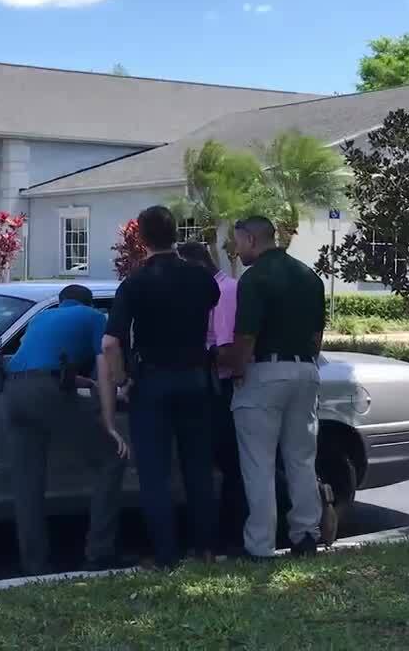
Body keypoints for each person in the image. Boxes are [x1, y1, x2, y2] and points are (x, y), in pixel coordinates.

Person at [103, 207, 220, 570]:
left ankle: (166, 555)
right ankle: (205, 549)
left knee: (155, 473)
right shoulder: (202, 279)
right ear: (175, 235)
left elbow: (110, 344)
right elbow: (213, 305)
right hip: (196, 379)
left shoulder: (135, 283)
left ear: (141, 238)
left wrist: (122, 380)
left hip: (152, 381)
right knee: (198, 468)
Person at [3, 284, 130, 576]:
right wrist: (109, 425)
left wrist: (84, 384)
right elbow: (105, 369)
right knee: (112, 459)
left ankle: (35, 565)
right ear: (88, 303)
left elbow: (43, 361)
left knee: (27, 482)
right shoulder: (95, 317)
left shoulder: (41, 318)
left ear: (62, 302)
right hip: (46, 391)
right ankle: (100, 553)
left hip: (12, 392)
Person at [227, 216, 327, 559]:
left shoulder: (254, 279)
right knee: (301, 459)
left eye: (237, 243)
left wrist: (237, 369)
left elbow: (246, 335)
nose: (235, 250)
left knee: (259, 463)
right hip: (305, 370)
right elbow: (317, 337)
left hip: (264, 373)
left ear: (252, 241)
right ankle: (306, 535)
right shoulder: (309, 276)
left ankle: (261, 545)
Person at [176, 240, 246, 554]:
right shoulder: (205, 291)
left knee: (230, 468)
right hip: (208, 386)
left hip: (222, 389)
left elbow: (227, 349)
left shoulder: (225, 292)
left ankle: (230, 538)